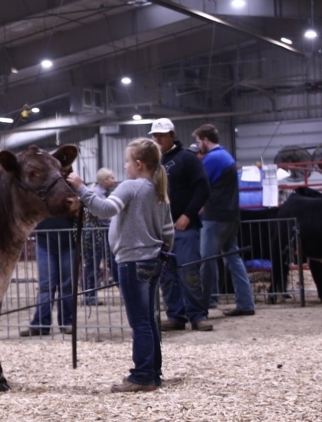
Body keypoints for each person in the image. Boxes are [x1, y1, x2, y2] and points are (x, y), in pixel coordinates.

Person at [67, 137, 174, 393]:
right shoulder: (158, 190)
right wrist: (163, 253)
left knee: (139, 322)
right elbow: (169, 231)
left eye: (127, 162)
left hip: (131, 261)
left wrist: (81, 188)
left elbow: (105, 209)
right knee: (149, 319)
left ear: (138, 164)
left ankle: (142, 376)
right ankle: (153, 372)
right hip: (153, 259)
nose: (125, 167)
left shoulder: (132, 186)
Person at [150, 118, 212, 332]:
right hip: (160, 229)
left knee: (189, 272)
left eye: (162, 135)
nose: (158, 139)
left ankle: (198, 315)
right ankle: (175, 315)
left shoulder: (188, 159)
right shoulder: (152, 165)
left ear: (172, 136)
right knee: (166, 276)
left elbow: (202, 187)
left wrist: (187, 215)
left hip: (184, 226)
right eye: (154, 136)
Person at [196, 124, 255, 316]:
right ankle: (246, 303)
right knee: (233, 257)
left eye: (198, 142)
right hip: (231, 215)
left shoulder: (212, 159)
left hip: (215, 217)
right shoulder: (226, 156)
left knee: (207, 260)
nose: (198, 146)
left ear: (205, 140)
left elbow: (198, 184)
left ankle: (202, 306)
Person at [20, 216, 77, 337]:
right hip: (44, 241)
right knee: (46, 286)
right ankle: (40, 324)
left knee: (66, 286)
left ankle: (67, 322)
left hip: (69, 242)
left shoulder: (73, 196)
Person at [81, 168, 118, 306]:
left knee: (100, 263)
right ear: (105, 180)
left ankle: (90, 296)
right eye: (112, 178)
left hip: (100, 231)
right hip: (95, 233)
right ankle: (89, 297)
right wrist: (115, 220)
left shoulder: (103, 193)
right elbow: (102, 214)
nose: (114, 180)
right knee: (93, 264)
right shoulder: (97, 193)